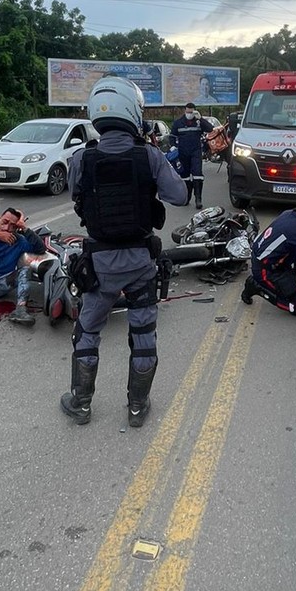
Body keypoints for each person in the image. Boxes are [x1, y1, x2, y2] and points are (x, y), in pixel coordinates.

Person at [61, 76, 189, 428]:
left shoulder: (81, 158)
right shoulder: (149, 155)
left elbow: (76, 194)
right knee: (143, 336)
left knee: (87, 334)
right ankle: (137, 407)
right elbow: (179, 196)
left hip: (99, 267)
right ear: (133, 111)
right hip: (141, 263)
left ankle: (81, 403)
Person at [170, 104, 214, 209]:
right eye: (188, 112)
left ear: (195, 112)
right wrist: (173, 147)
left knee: (197, 174)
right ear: (185, 111)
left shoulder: (199, 122)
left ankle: (198, 199)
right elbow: (172, 136)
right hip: (183, 152)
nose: (189, 114)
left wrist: (201, 118)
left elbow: (210, 129)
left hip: (196, 152)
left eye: (191, 112)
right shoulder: (178, 123)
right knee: (184, 176)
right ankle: (187, 197)